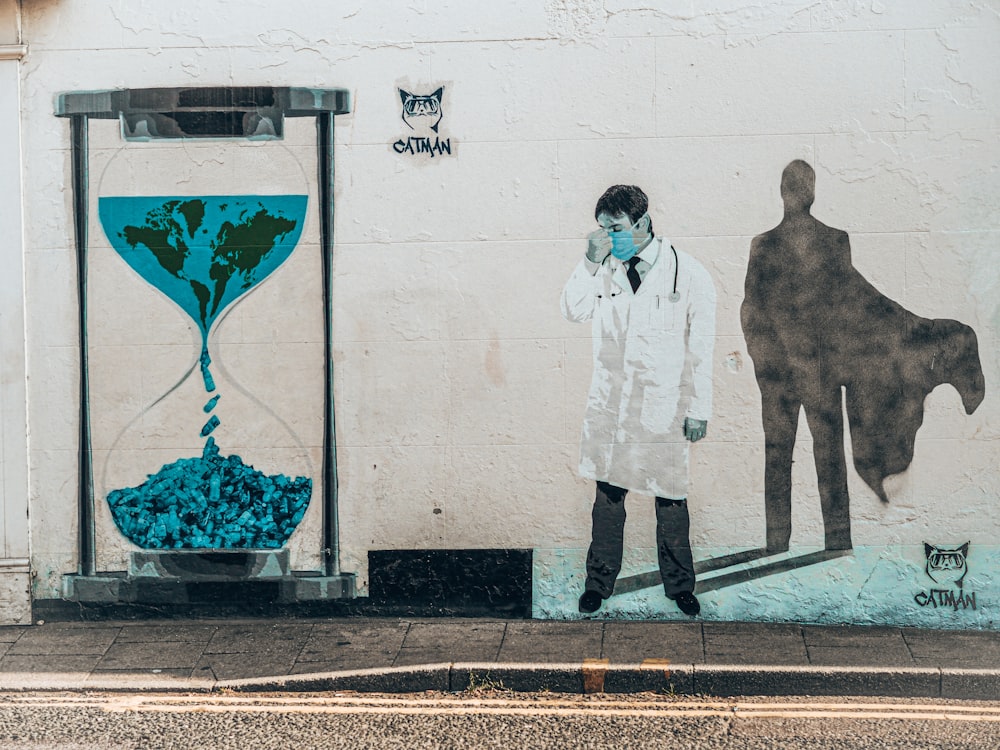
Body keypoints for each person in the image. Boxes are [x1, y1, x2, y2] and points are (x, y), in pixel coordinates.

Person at [741, 160, 985, 553]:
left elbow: (752, 309)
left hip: (781, 372)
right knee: (828, 454)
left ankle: (777, 542)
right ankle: (836, 540)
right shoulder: (833, 239)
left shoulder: (765, 243)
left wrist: (763, 361)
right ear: (811, 192)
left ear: (784, 192)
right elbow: (848, 305)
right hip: (817, 369)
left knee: (779, 454)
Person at [561, 185, 717, 616]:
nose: (608, 237)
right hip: (612, 406)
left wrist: (699, 409)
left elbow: (701, 347)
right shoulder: (603, 269)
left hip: (664, 407)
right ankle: (599, 583)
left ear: (643, 223)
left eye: (616, 228)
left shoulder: (687, 273)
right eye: (603, 229)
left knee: (670, 500)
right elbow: (572, 310)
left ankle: (680, 586)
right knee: (608, 498)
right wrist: (590, 261)